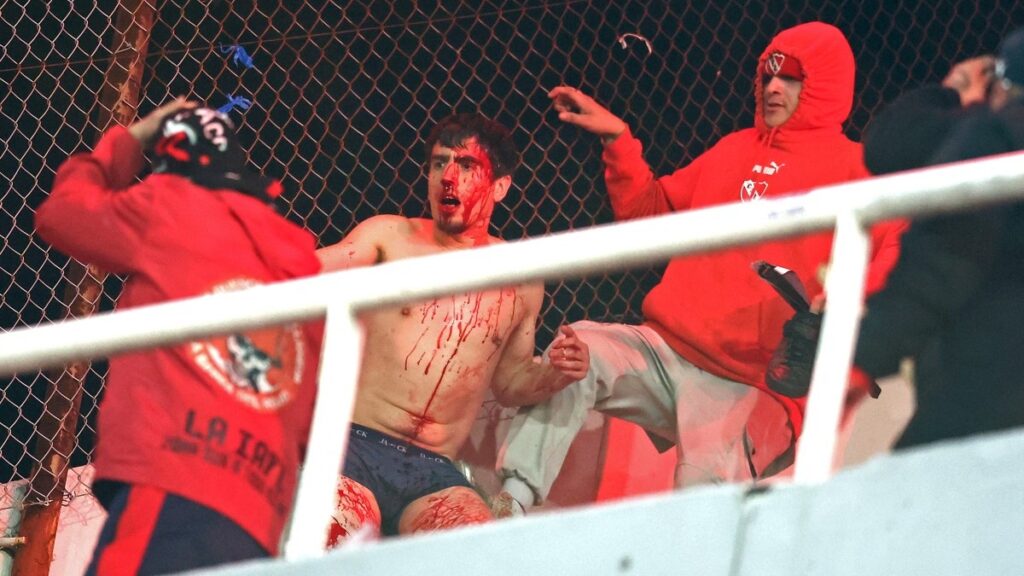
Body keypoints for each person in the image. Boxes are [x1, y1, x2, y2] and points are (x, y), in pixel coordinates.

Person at [494, 21, 907, 514]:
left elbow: (903, 241)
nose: (773, 87)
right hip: (666, 352)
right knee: (580, 353)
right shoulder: (733, 149)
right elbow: (652, 215)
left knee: (700, 493)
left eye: (791, 78)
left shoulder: (855, 167)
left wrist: (846, 301)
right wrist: (619, 140)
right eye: (766, 76)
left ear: (824, 87)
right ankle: (507, 506)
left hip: (752, 385)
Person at [34, 100, 323, 574]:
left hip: (176, 476)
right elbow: (307, 410)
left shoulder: (173, 204)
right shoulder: (298, 261)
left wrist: (131, 138)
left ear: (170, 165)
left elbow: (62, 214)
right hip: (259, 514)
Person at [317, 112, 589, 542]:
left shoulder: (520, 278)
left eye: (467, 166)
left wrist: (557, 371)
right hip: (354, 447)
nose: (447, 176)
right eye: (438, 163)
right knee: (329, 546)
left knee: (478, 557)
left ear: (500, 186)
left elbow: (511, 383)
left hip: (433, 470)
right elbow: (309, 268)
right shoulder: (391, 237)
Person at [852, 28, 1024, 450]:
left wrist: (862, 357)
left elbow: (943, 261)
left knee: (906, 494)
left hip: (991, 383)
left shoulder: (995, 135)